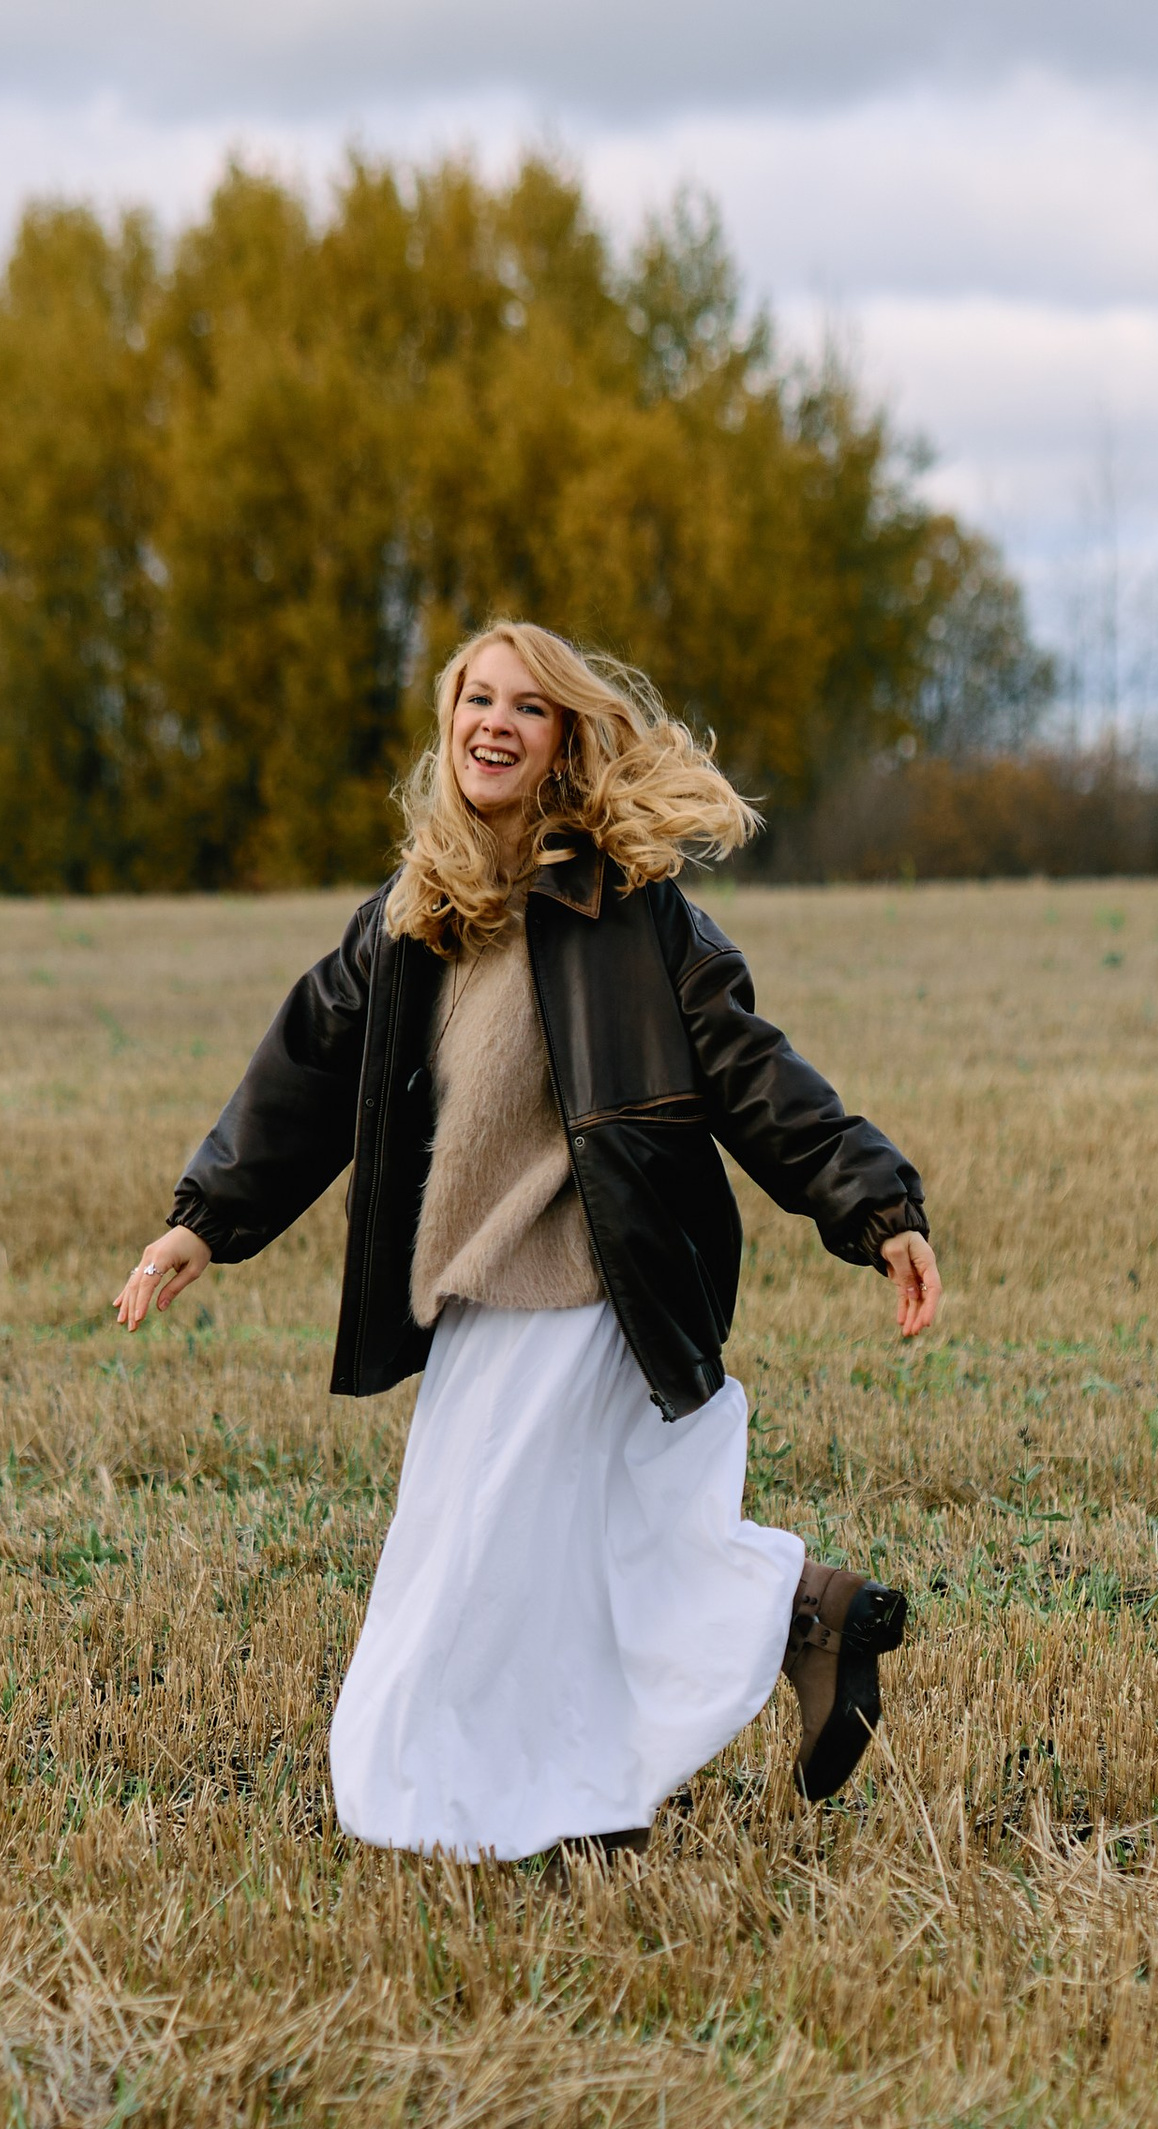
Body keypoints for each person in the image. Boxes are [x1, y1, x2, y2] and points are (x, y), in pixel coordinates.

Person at [116, 621, 943, 1860]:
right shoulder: (410, 920)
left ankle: (557, 1802)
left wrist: (873, 1205)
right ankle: (794, 1626)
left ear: (564, 741)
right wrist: (205, 1224)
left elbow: (748, 1070)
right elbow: (302, 1075)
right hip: (477, 1297)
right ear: (447, 726)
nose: (493, 723)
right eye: (475, 700)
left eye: (527, 707)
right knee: (563, 1564)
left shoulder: (630, 911)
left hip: (593, 1284)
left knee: (474, 1585)